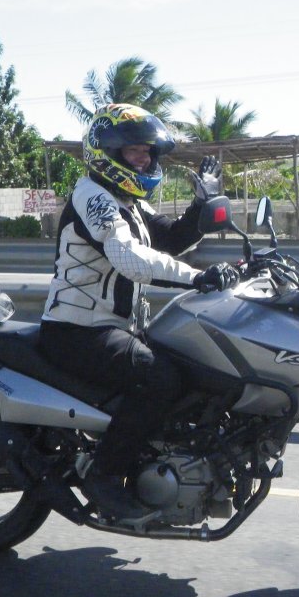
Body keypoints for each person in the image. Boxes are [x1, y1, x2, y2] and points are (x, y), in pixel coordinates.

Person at [38, 103, 239, 520]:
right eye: (134, 152)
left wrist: (199, 212)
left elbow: (164, 239)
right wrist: (197, 278)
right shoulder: (93, 198)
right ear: (106, 153)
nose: (145, 158)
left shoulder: (125, 199)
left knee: (190, 366)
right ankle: (105, 476)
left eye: (148, 151)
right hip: (77, 331)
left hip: (112, 328)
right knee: (159, 378)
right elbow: (131, 259)